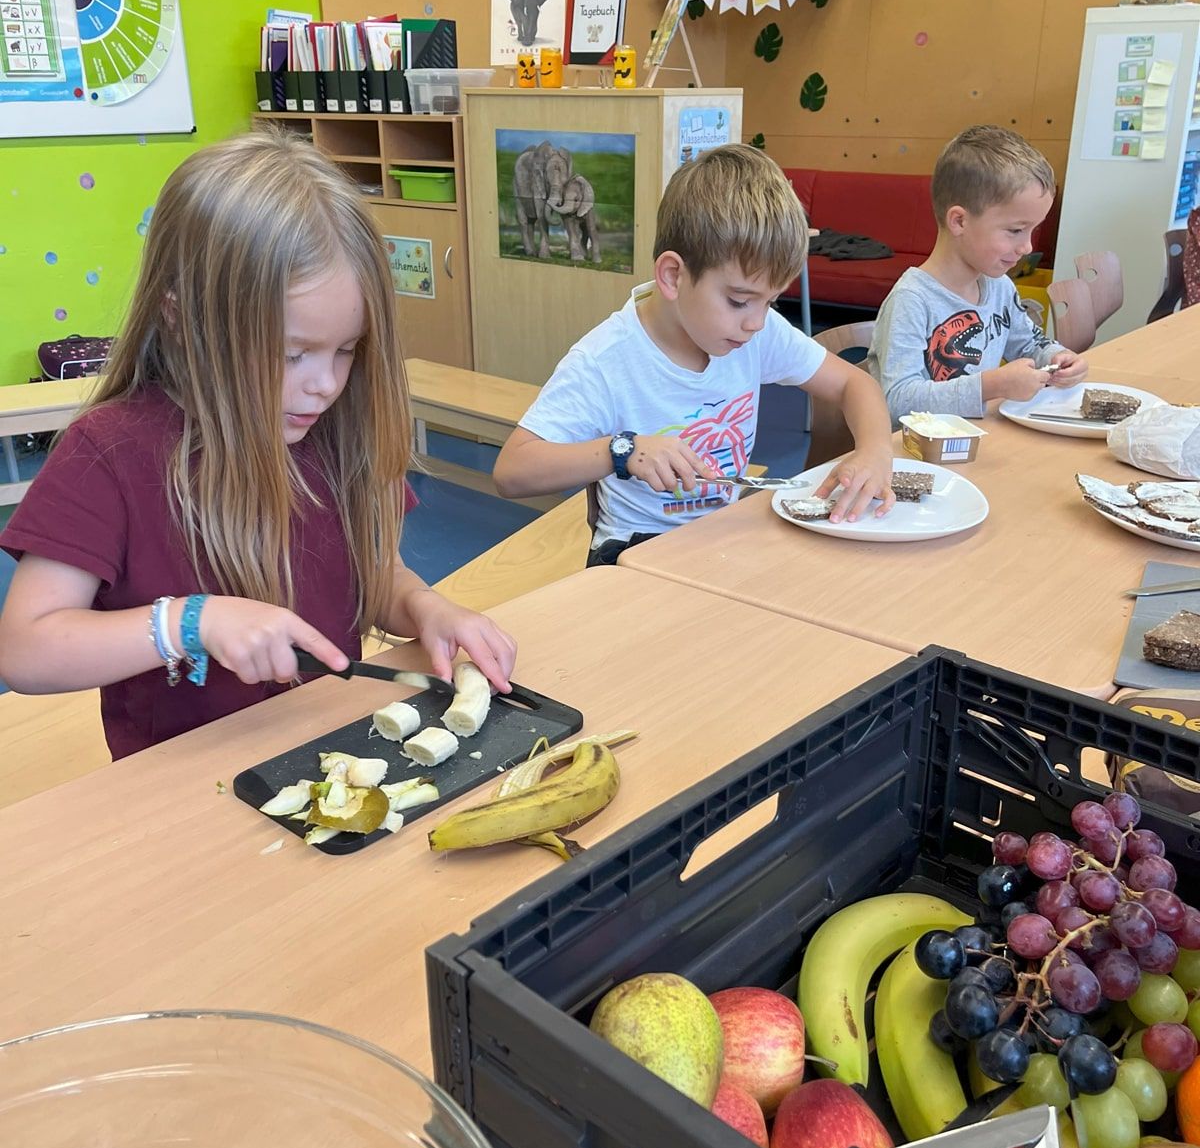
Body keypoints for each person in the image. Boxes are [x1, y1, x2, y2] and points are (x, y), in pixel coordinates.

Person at [0, 129, 515, 759]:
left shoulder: (337, 429)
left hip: (328, 751)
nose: (325, 384)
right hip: (182, 786)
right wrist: (192, 623)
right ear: (182, 323)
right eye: (292, 354)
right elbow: (27, 651)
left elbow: (372, 572)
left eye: (347, 350)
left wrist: (425, 607)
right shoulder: (106, 453)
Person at [493, 143, 895, 565]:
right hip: (635, 552)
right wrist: (621, 451)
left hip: (721, 539)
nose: (756, 322)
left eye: (771, 302)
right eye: (740, 301)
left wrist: (874, 450)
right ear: (672, 276)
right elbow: (512, 471)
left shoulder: (756, 332)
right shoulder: (607, 359)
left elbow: (855, 383)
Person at [864, 125, 1088, 425]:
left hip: (975, 441)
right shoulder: (912, 300)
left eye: (1033, 230)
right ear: (959, 221)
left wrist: (1058, 359)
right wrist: (991, 386)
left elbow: (1029, 344)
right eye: (1015, 230)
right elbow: (898, 401)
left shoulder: (1000, 287)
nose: (1027, 246)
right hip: (916, 453)